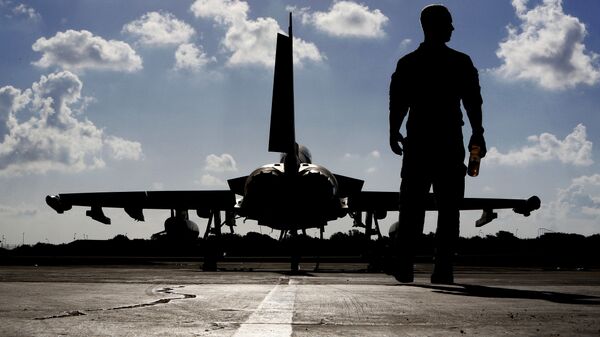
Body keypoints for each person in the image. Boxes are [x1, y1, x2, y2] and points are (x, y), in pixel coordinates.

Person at [388, 4, 486, 284]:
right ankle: (442, 268)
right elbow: (473, 101)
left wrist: (393, 130)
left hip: (419, 142)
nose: (453, 28)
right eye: (449, 23)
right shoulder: (460, 62)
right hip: (446, 142)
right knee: (447, 208)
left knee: (412, 208)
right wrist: (477, 132)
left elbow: (398, 101)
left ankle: (406, 265)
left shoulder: (409, 63)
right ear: (435, 26)